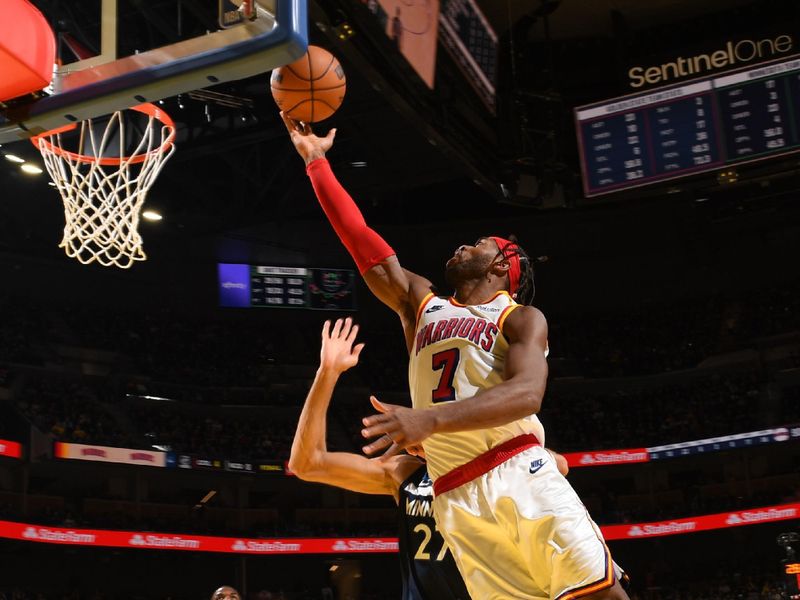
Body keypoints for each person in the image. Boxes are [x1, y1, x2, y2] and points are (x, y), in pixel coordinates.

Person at [282, 113, 629, 600]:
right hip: (452, 494)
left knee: (601, 595)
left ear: (503, 265)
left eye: (480, 243)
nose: (465, 244)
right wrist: (316, 162)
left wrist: (430, 420)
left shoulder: (520, 317)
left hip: (517, 471)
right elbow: (358, 236)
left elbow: (527, 394)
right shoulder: (420, 303)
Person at [289, 317, 570, 600]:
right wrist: (327, 373)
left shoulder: (500, 466)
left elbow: (559, 464)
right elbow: (307, 463)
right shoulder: (405, 474)